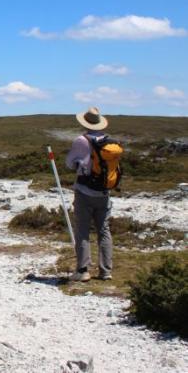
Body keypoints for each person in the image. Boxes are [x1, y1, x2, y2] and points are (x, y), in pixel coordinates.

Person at [65, 106, 114, 282]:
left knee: (83, 230)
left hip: (84, 191)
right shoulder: (109, 142)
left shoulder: (81, 140)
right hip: (104, 192)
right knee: (104, 230)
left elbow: (70, 163)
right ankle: (106, 271)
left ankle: (83, 269)